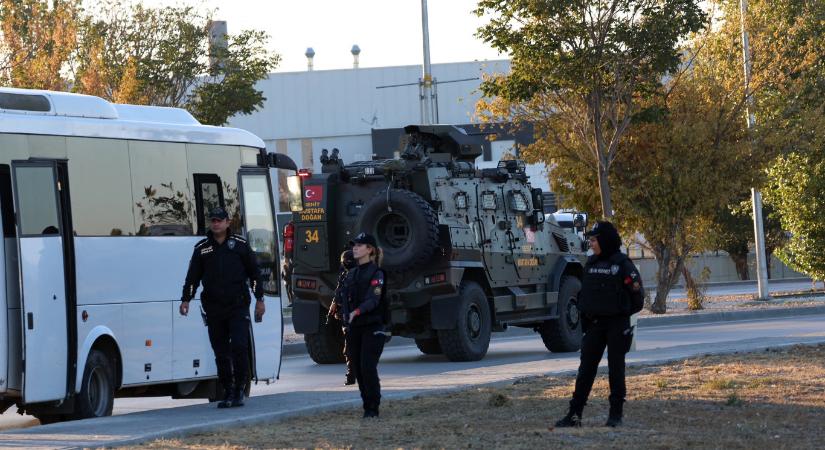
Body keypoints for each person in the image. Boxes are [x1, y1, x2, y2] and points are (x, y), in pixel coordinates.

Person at [555, 221, 644, 428]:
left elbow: (638, 297)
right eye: (591, 240)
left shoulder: (622, 264)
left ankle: (615, 416)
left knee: (616, 370)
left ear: (604, 240)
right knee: (585, 371)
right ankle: (574, 415)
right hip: (595, 326)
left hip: (616, 325)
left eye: (594, 240)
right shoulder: (591, 263)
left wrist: (620, 314)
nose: (591, 244)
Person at [179, 207, 265, 409]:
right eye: (213, 221)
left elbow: (254, 275)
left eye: (219, 220)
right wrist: (186, 299)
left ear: (227, 223)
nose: (216, 224)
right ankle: (227, 390)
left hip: (237, 307)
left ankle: (239, 390)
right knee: (220, 352)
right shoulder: (202, 248)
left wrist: (259, 298)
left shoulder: (241, 245)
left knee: (239, 347)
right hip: (214, 308)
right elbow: (192, 278)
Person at [343, 232, 388, 418]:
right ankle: (366, 405)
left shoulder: (377, 273)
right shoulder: (351, 273)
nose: (355, 247)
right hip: (355, 327)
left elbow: (374, 299)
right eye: (354, 245)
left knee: (368, 366)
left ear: (369, 250)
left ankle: (373, 408)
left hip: (373, 326)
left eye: (360, 245)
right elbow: (344, 297)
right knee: (358, 368)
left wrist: (357, 312)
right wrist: (345, 315)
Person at [328, 249, 357, 386]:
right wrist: (335, 305)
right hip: (348, 319)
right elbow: (339, 295)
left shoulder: (357, 276)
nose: (344, 264)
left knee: (354, 349)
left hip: (357, 319)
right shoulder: (345, 276)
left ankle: (354, 375)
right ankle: (352, 375)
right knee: (350, 349)